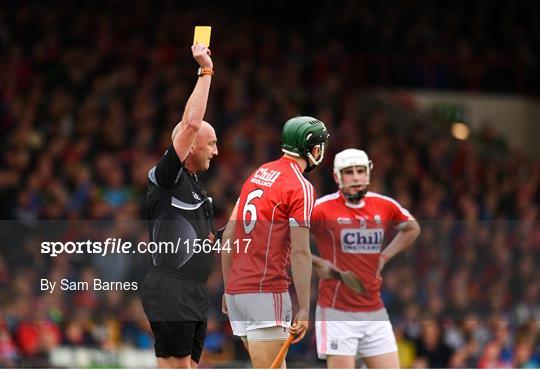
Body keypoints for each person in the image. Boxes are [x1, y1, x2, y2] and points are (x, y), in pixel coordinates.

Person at [221, 116, 329, 368]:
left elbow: (228, 235)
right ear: (313, 148)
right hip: (265, 293)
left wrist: (228, 288)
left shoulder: (259, 173)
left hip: (239, 293)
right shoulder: (299, 186)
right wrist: (304, 308)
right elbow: (300, 252)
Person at [140, 43, 217, 369]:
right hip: (171, 288)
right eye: (211, 143)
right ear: (191, 145)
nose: (216, 151)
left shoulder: (195, 188)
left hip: (194, 292)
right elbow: (190, 124)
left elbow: (205, 243)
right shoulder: (167, 178)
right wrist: (206, 71)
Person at [311, 148, 420, 369]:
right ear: (336, 177)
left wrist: (385, 257)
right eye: (349, 172)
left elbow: (412, 229)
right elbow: (288, 237)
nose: (356, 177)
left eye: (360, 171)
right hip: (336, 312)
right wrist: (316, 261)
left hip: (374, 310)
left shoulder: (384, 205)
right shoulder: (321, 209)